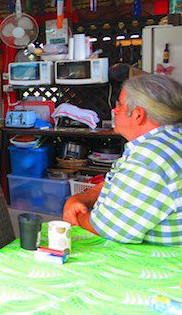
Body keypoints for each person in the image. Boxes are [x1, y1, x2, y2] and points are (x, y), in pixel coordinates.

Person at [63, 74, 182, 245]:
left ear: (138, 115)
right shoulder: (171, 138)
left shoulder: (148, 160)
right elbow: (122, 185)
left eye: (119, 104)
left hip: (159, 264)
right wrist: (82, 198)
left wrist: (74, 214)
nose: (114, 110)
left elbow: (108, 229)